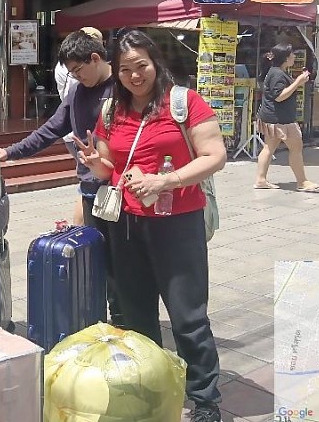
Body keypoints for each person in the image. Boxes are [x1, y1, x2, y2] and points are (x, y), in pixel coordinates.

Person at [75, 29, 226, 422]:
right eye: (125, 69)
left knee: (188, 316)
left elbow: (215, 155)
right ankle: (153, 388)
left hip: (177, 224)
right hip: (126, 225)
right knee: (136, 315)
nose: (134, 76)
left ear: (155, 62)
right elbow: (109, 167)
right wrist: (95, 164)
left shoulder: (184, 103)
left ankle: (205, 399)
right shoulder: (112, 110)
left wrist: (166, 181)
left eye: (140, 66)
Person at [0, 28, 121, 323]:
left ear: (95, 58)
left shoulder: (122, 87)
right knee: (94, 258)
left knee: (122, 266)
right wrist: (11, 152)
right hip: (92, 189)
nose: (75, 77)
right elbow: (51, 129)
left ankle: (126, 321)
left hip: (122, 189)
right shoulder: (77, 91)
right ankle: (101, 319)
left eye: (77, 70)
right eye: (70, 73)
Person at [253, 43, 319, 192]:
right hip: (280, 119)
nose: (294, 56)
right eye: (292, 54)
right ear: (285, 58)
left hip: (273, 117)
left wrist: (298, 81)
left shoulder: (275, 72)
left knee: (269, 147)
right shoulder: (277, 74)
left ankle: (261, 180)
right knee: (295, 147)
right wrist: (298, 82)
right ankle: (302, 182)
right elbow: (279, 96)